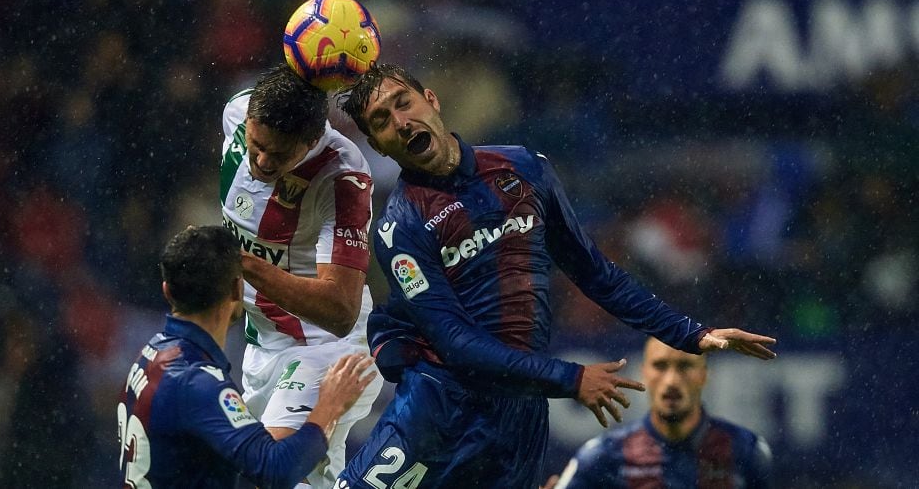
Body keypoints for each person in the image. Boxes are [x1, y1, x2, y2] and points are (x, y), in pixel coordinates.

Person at [333, 63, 777, 488]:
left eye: (403, 103)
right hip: (439, 411)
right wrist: (571, 378)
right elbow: (456, 344)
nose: (402, 121)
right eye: (382, 120)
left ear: (431, 100)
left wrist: (690, 334)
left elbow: (595, 273)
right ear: (378, 144)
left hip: (520, 419)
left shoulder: (524, 168)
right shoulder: (400, 229)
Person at [218, 64, 383, 487]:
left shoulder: (342, 176)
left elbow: (340, 309)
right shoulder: (237, 111)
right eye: (256, 145)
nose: (261, 161)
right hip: (261, 347)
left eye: (279, 154)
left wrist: (243, 262)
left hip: (328, 348)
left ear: (311, 141)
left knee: (273, 471)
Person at [116, 225, 376, 488]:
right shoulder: (198, 382)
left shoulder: (150, 354)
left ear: (167, 291)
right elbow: (276, 470)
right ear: (237, 290)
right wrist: (329, 406)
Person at [544, 337, 773, 488]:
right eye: (661, 366)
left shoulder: (746, 450)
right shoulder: (603, 456)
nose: (671, 380)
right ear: (644, 373)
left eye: (684, 366)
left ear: (704, 375)